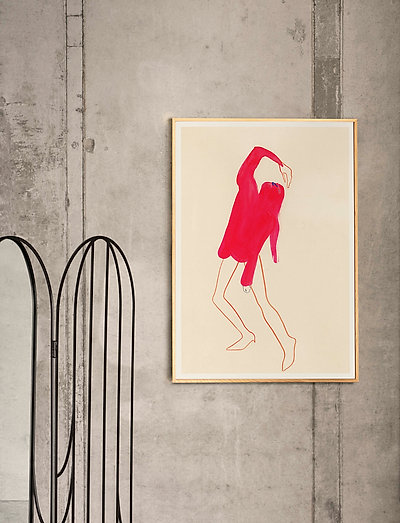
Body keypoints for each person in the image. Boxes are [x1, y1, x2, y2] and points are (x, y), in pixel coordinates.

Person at [211, 146, 296, 372]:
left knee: (257, 303)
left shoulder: (261, 210)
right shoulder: (254, 199)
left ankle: (287, 341)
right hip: (235, 252)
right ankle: (247, 334)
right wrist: (281, 163)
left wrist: (246, 280)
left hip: (246, 258)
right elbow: (256, 152)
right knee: (220, 297)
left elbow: (255, 251)